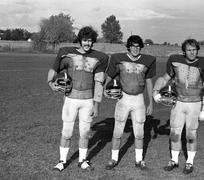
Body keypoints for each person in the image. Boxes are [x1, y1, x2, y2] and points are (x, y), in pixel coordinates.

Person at [47, 26, 109, 171]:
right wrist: (50, 83)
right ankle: (62, 161)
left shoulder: (100, 57)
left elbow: (99, 82)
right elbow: (54, 68)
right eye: (85, 40)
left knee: (85, 132)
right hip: (71, 99)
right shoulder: (67, 54)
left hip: (87, 100)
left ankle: (82, 160)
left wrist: (96, 105)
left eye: (90, 40)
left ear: (93, 41)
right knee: (67, 132)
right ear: (80, 40)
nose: (87, 43)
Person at [153, 39, 204, 174]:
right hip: (179, 102)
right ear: (184, 51)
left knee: (191, 134)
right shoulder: (175, 60)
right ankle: (174, 160)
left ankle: (189, 162)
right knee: (175, 132)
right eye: (189, 50)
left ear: (197, 50)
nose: (192, 52)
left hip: (195, 103)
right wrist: (155, 91)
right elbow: (165, 78)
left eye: (194, 49)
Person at [104, 35, 156, 170]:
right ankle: (114, 159)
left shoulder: (148, 61)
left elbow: (149, 81)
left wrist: (150, 102)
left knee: (139, 132)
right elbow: (109, 76)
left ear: (141, 47)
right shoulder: (118, 59)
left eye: (138, 46)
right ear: (128, 46)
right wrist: (104, 89)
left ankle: (139, 160)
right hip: (123, 98)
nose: (135, 49)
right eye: (133, 46)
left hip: (139, 99)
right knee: (118, 131)